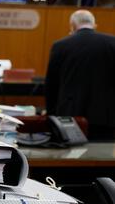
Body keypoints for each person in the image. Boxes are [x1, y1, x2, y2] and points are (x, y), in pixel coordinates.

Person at [45, 10, 115, 140]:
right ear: (94, 25)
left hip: (70, 116)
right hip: (107, 116)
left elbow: (51, 85)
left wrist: (51, 115)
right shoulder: (112, 43)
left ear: (72, 26)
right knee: (103, 157)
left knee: (71, 157)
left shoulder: (60, 46)